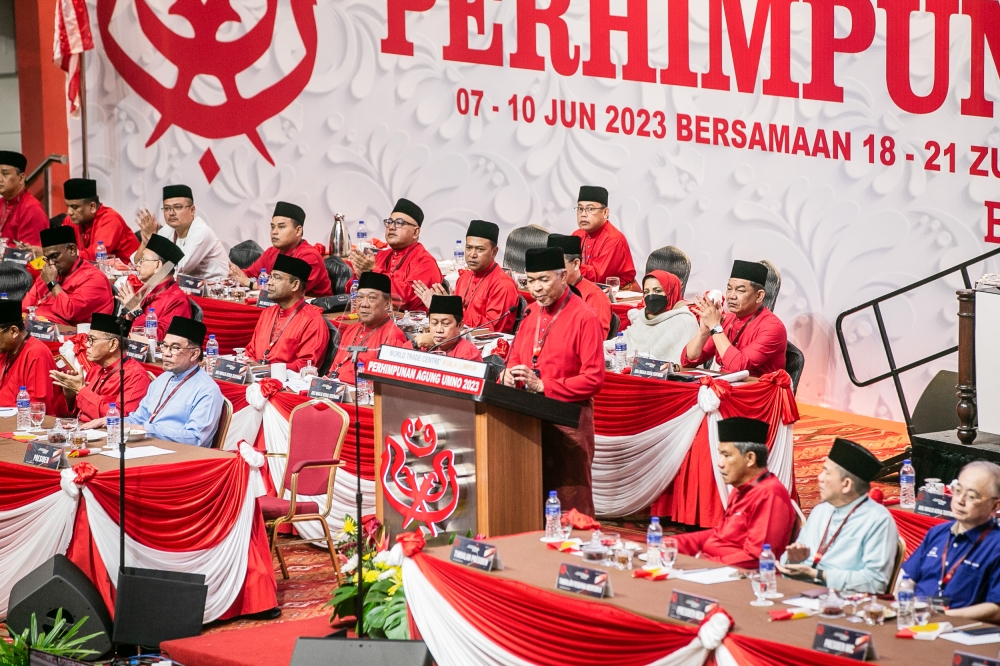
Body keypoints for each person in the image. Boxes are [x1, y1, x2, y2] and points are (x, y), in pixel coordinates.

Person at [501, 247, 605, 516]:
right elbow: (515, 360)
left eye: (544, 279)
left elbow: (594, 379)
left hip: (568, 423)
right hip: (528, 420)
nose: (536, 288)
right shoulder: (530, 314)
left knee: (571, 501)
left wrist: (544, 385)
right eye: (530, 280)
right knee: (530, 494)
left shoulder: (584, 317)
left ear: (562, 277)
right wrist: (508, 375)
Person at [777, 438, 897, 593]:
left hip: (848, 604)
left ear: (846, 484)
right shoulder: (820, 510)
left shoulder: (878, 520)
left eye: (826, 472)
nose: (819, 478)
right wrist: (792, 560)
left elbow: (875, 583)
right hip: (806, 593)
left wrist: (820, 575)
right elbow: (796, 565)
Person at [674, 417, 796, 568]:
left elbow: (756, 558)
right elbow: (718, 536)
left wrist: (701, 565)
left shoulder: (770, 495)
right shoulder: (740, 490)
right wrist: (672, 544)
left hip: (742, 581)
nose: (719, 463)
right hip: (717, 570)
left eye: (726, 455)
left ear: (750, 458)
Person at [85, 317, 224, 447]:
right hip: (148, 445)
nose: (166, 353)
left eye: (175, 348)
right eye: (164, 346)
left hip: (180, 455)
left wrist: (146, 429)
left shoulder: (207, 390)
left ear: (194, 354)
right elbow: (139, 418)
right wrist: (115, 422)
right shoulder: (162, 379)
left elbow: (195, 438)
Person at [899, 461, 1000, 623]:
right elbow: (908, 579)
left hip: (962, 630)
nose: (960, 500)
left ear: (995, 505)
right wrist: (904, 604)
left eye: (972, 496)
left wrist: (941, 616)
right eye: (958, 490)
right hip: (918, 621)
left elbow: (997, 609)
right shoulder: (938, 533)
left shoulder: (996, 545)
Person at [682, 260, 787, 376]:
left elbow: (737, 367)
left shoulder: (773, 327)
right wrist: (703, 332)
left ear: (759, 296)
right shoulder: (727, 319)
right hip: (727, 386)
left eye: (740, 290)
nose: (731, 296)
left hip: (756, 391)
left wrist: (715, 327)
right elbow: (688, 361)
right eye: (729, 288)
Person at [414, 220, 518, 333]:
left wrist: (451, 309)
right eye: (469, 248)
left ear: (494, 252)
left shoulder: (503, 284)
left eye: (480, 249)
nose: (472, 254)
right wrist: (439, 308)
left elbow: (493, 330)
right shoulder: (464, 278)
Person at [50, 312, 151, 421]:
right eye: (87, 340)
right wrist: (70, 396)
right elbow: (67, 417)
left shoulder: (135, 376)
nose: (87, 345)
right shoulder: (95, 370)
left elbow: (120, 419)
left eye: (92, 340)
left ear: (113, 344)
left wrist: (80, 390)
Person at [348, 198, 442, 312]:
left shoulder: (425, 261)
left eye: (399, 223)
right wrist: (360, 276)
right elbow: (351, 292)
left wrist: (373, 272)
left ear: (416, 232)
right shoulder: (380, 256)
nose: (391, 227)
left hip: (411, 326)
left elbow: (406, 299)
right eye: (389, 222)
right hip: (377, 319)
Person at [245, 254, 330, 372]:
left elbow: (306, 366)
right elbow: (250, 351)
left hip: (286, 385)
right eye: (270, 277)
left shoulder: (312, 321)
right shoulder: (267, 313)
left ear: (295, 285)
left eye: (276, 278)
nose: (269, 283)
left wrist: (265, 369)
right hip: (256, 377)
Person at [229, 202, 333, 297]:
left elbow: (290, 291)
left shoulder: (309, 256)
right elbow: (248, 274)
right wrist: (235, 276)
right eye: (272, 227)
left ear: (298, 230)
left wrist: (250, 283)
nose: (274, 232)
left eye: (281, 227)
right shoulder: (272, 252)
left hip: (316, 313)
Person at [22, 226, 114, 325]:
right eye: (47, 258)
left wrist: (52, 284)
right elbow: (25, 306)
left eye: (54, 256)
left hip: (71, 336)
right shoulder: (49, 272)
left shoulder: (94, 279)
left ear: (72, 250)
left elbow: (70, 313)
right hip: (38, 329)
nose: (51, 263)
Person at [328, 271, 409, 384]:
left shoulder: (393, 337)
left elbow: (385, 385)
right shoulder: (351, 329)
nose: (364, 304)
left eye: (372, 298)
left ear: (387, 303)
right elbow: (334, 368)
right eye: (360, 297)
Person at [134, 184, 228, 279]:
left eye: (177, 207)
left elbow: (180, 267)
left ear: (192, 210)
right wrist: (146, 239)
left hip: (218, 289)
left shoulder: (202, 232)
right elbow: (137, 263)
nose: (171, 213)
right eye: (166, 208)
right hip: (190, 288)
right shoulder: (167, 230)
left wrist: (152, 236)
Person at [118, 234, 192, 341]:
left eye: (142, 259)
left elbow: (160, 340)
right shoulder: (146, 290)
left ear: (158, 265)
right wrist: (129, 316)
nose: (137, 265)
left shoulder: (177, 300)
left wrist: (137, 312)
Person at [0, 299, 62, 413]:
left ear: (14, 331)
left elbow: (37, 407)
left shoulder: (37, 354)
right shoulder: (5, 350)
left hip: (26, 425)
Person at [623, 271, 699, 363]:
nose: (651, 296)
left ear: (671, 292)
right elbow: (626, 340)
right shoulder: (643, 316)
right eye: (646, 292)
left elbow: (684, 363)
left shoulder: (684, 320)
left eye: (657, 291)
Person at [570, 186, 636, 289]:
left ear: (605, 212)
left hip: (620, 296)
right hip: (591, 291)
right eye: (580, 208)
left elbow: (597, 276)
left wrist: (568, 266)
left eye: (590, 209)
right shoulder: (577, 235)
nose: (583, 214)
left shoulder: (614, 239)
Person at [547, 234, 612, 339]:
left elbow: (596, 338)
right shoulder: (547, 291)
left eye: (557, 265)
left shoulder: (595, 296)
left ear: (576, 264)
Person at [62, 178, 139, 262]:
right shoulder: (71, 220)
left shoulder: (110, 219)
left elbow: (95, 256)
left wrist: (66, 255)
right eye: (67, 206)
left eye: (74, 207)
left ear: (92, 207)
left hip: (127, 272)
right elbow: (60, 246)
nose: (69, 212)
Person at [0, 151, 48, 246]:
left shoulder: (31, 208)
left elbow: (32, 255)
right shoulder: (2, 203)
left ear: (21, 178)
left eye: (5, 174)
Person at [415, 295, 483, 360]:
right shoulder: (424, 345)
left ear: (459, 326)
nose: (439, 330)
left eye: (446, 324)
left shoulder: (468, 353)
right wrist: (415, 343)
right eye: (434, 323)